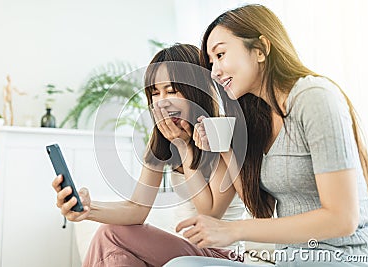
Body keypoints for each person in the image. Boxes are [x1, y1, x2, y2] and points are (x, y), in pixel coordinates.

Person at [165, 4, 368, 266]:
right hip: (292, 259)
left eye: (221, 54)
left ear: (261, 49)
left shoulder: (314, 97)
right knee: (182, 264)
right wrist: (223, 148)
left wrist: (233, 230)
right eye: (211, 61)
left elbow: (343, 219)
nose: (214, 71)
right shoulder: (257, 117)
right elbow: (259, 207)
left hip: (339, 257)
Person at [52, 44, 245, 267]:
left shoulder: (220, 132)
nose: (162, 101)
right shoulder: (162, 139)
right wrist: (87, 208)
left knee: (110, 235)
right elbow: (137, 209)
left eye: (171, 90)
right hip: (182, 253)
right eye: (155, 93)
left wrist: (184, 147)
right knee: (116, 252)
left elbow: (210, 214)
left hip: (221, 254)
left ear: (196, 89)